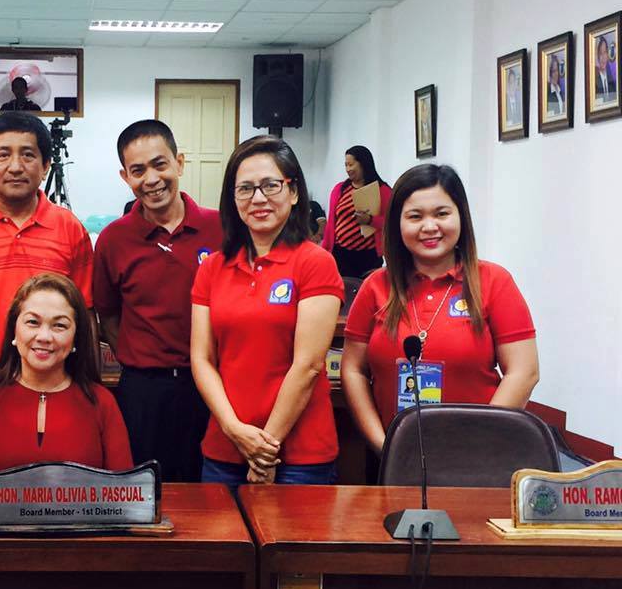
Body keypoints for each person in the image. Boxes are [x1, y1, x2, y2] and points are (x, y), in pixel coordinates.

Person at [341, 164, 539, 456]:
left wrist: (480, 442)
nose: (430, 226)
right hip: (394, 454)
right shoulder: (375, 286)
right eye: (415, 216)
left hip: (478, 455)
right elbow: (353, 370)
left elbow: (524, 372)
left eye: (442, 214)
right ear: (397, 223)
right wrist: (384, 447)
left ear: (461, 217)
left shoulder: (493, 282)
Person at [191, 135, 344, 489]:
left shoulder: (315, 263)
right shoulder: (212, 267)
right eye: (245, 189)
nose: (258, 198)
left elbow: (307, 366)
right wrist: (233, 429)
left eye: (270, 185)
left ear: (293, 192)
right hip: (224, 447)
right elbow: (201, 358)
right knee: (223, 544)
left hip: (300, 455)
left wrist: (264, 450)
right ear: (232, 199)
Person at [93, 120, 223, 482]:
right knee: (145, 490)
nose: (151, 179)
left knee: (209, 493)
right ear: (125, 177)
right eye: (138, 170)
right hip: (143, 391)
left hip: (211, 387)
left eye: (160, 164)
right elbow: (108, 315)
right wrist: (142, 358)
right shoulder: (113, 239)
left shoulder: (222, 228)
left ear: (179, 163)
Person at [0, 111, 93, 390]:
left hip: (54, 376)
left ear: (46, 165)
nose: (15, 166)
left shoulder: (70, 229)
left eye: (28, 155)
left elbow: (84, 313)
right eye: (3, 155)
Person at [0, 273, 132, 474]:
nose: (44, 337)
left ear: (76, 337)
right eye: (33, 322)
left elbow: (123, 495)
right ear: (14, 329)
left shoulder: (102, 403)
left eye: (59, 325)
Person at [321, 145, 391, 278]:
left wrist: (370, 220)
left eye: (351, 164)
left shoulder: (383, 191)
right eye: (346, 165)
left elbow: (392, 223)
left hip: (368, 256)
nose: (348, 169)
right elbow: (331, 223)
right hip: (340, 254)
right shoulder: (340, 189)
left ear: (363, 164)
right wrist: (325, 251)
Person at [595, 35, 617, 102]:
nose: (603, 57)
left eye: (605, 52)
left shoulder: (612, 82)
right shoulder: (594, 83)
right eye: (600, 53)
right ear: (596, 56)